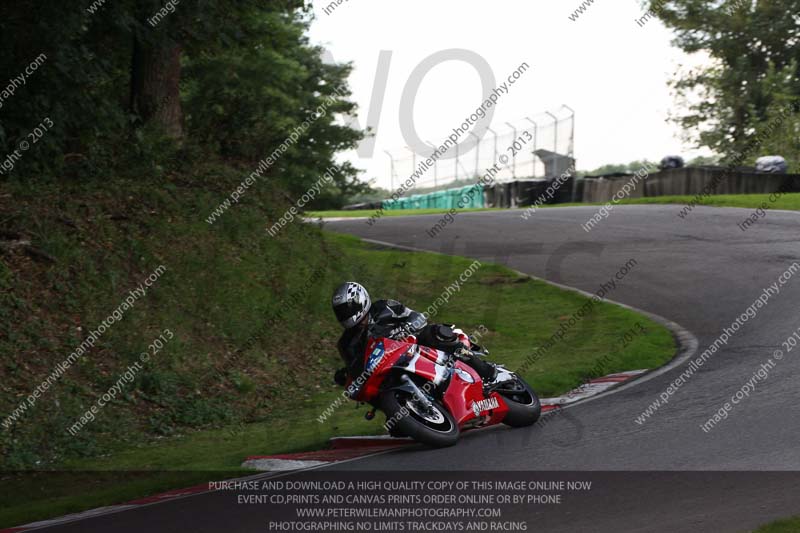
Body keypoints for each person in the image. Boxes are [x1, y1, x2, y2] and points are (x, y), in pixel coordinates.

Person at [331, 282, 497, 389]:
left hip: (416, 345)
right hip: (389, 367)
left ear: (360, 300)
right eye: (342, 312)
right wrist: (346, 375)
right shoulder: (347, 344)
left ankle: (487, 371)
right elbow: (356, 367)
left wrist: (407, 327)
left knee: (434, 334)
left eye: (348, 309)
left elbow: (418, 316)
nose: (346, 314)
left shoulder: (383, 307)